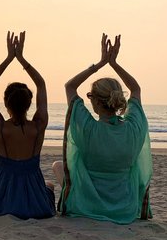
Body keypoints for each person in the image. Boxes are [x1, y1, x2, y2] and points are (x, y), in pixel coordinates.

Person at [53, 34, 152, 224]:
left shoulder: (89, 129)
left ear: (96, 102)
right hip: (125, 209)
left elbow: (70, 86)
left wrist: (99, 64)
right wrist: (114, 63)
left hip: (87, 204)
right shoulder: (132, 130)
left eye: (90, 96)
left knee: (58, 165)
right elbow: (136, 90)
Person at [0, 31, 56, 219]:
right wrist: (22, 59)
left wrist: (9, 58)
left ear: (6, 104)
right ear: (30, 103)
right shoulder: (38, 126)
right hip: (34, 200)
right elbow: (41, 84)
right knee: (50, 185)